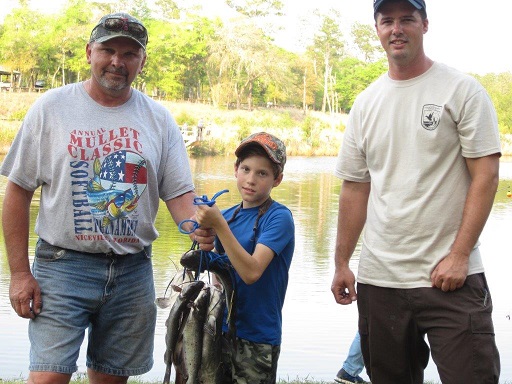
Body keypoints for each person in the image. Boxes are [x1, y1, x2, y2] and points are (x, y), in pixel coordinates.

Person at [0, 12, 213, 384]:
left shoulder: (159, 119)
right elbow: (18, 191)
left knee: (111, 379)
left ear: (142, 61)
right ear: (89, 52)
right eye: (108, 50)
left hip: (132, 272)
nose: (118, 61)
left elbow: (178, 193)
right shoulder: (51, 108)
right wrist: (19, 273)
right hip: (62, 267)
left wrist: (196, 225)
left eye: (130, 53)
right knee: (47, 378)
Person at [330, 0, 501, 383]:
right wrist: (342, 262)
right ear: (376, 29)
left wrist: (459, 256)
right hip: (381, 282)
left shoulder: (461, 90)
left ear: (424, 24)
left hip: (451, 278)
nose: (396, 29)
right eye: (386, 20)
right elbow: (355, 188)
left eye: (406, 19)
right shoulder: (366, 103)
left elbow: (486, 176)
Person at [195, 132, 295, 384]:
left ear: (278, 179)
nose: (251, 180)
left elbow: (251, 272)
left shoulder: (279, 218)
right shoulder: (228, 216)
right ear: (235, 170)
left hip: (258, 336)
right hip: (218, 330)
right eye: (246, 169)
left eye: (262, 173)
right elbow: (220, 269)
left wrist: (218, 226)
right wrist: (200, 244)